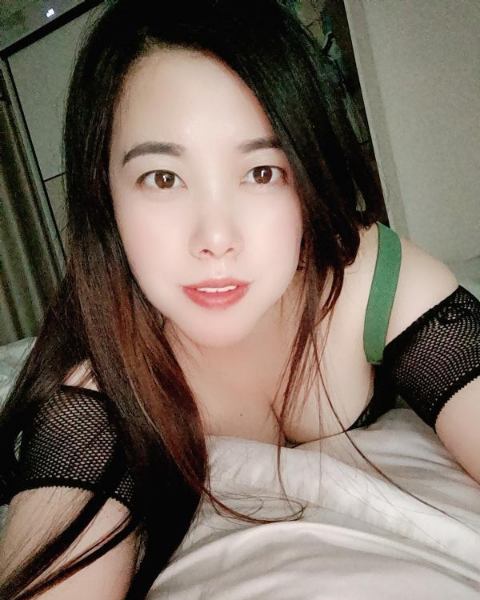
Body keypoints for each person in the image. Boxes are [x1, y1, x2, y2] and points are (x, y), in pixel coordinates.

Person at [0, 0, 479, 598]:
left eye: (262, 172)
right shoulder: (98, 390)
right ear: (106, 194)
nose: (216, 238)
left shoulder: (372, 280)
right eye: (163, 178)